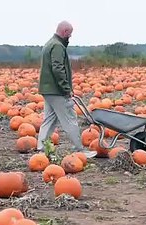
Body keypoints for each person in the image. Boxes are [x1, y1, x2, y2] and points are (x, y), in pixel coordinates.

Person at [36, 21, 97, 158]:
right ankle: (79, 150)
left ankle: (41, 148)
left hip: (48, 89)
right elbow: (58, 68)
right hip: (57, 90)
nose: (70, 36)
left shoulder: (49, 43)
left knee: (50, 119)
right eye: (70, 34)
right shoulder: (57, 46)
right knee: (70, 118)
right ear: (64, 32)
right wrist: (66, 88)